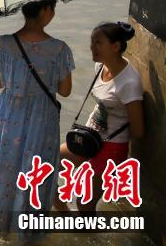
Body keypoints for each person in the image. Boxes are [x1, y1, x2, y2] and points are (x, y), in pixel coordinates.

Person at [0, 0, 74, 233]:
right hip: (42, 119)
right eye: (53, 8)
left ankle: (0, 229)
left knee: (4, 172)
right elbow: (65, 91)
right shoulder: (59, 48)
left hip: (8, 115)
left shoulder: (5, 43)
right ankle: (29, 232)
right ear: (45, 10)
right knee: (36, 174)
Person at [56, 22, 144, 212]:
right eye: (92, 42)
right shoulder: (100, 67)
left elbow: (138, 129)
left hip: (111, 146)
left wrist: (108, 163)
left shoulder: (129, 82)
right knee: (50, 164)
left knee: (85, 202)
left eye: (98, 43)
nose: (92, 47)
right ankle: (67, 220)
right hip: (88, 138)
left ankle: (89, 238)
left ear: (115, 46)